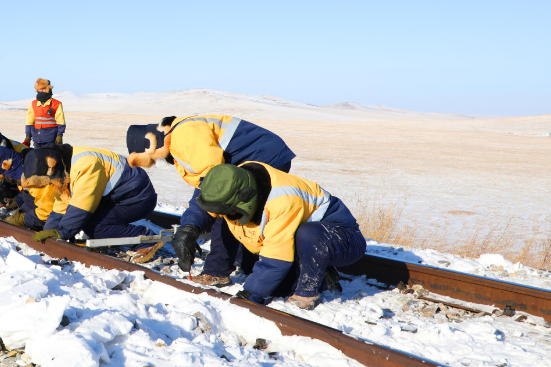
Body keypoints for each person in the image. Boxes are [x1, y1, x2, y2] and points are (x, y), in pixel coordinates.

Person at [126, 115, 295, 286]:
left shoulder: (184, 136)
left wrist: (191, 227)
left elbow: (216, 188)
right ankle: (247, 264)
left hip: (265, 156)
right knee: (231, 211)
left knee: (229, 210)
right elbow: (204, 188)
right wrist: (190, 224)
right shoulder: (179, 141)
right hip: (256, 157)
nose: (157, 162)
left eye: (153, 159)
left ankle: (217, 272)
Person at [195, 162, 365, 309]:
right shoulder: (235, 180)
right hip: (304, 238)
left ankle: (306, 292)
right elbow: (210, 208)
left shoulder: (283, 200)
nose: (229, 213)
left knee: (307, 234)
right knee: (278, 289)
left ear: (245, 198)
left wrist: (250, 295)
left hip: (341, 237)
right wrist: (189, 228)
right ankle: (321, 270)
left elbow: (276, 257)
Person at [28, 145, 158, 243]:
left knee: (95, 227)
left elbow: (82, 206)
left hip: (138, 198)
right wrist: (49, 231)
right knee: (87, 221)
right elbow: (62, 204)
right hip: (120, 196)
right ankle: (112, 235)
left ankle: (144, 238)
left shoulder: (86, 166)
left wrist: (61, 233)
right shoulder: (64, 163)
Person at [0, 145, 64, 231]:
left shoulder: (35, 176)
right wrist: (19, 204)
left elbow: (46, 211)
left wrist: (22, 220)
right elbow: (31, 197)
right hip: (52, 205)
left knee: (47, 230)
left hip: (62, 207)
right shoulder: (27, 161)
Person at [24, 78, 66, 149]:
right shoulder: (33, 104)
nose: (41, 91)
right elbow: (29, 121)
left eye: (43, 88)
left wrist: (59, 135)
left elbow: (61, 121)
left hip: (51, 138)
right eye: (39, 89)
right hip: (37, 138)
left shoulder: (56, 104)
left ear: (48, 89)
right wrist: (28, 136)